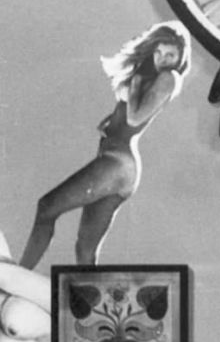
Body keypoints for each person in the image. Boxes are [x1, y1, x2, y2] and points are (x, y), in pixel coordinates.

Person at [19, 22, 191, 269]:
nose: (162, 60)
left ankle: (17, 277)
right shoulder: (155, 79)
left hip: (117, 164)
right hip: (119, 167)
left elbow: (135, 118)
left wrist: (134, 85)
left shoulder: (168, 77)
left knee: (47, 207)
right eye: (158, 53)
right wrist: (112, 121)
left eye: (170, 55)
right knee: (85, 250)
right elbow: (131, 117)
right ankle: (81, 296)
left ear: (180, 58)